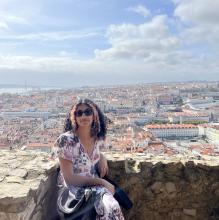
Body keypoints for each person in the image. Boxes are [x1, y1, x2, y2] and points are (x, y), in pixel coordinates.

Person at [54, 98, 124, 220]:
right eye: (79, 113)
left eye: (88, 112)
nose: (83, 116)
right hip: (75, 190)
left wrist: (102, 156)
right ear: (74, 117)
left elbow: (89, 156)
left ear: (94, 115)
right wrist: (102, 182)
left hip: (94, 186)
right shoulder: (66, 140)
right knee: (106, 209)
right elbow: (70, 179)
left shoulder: (97, 138)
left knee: (113, 207)